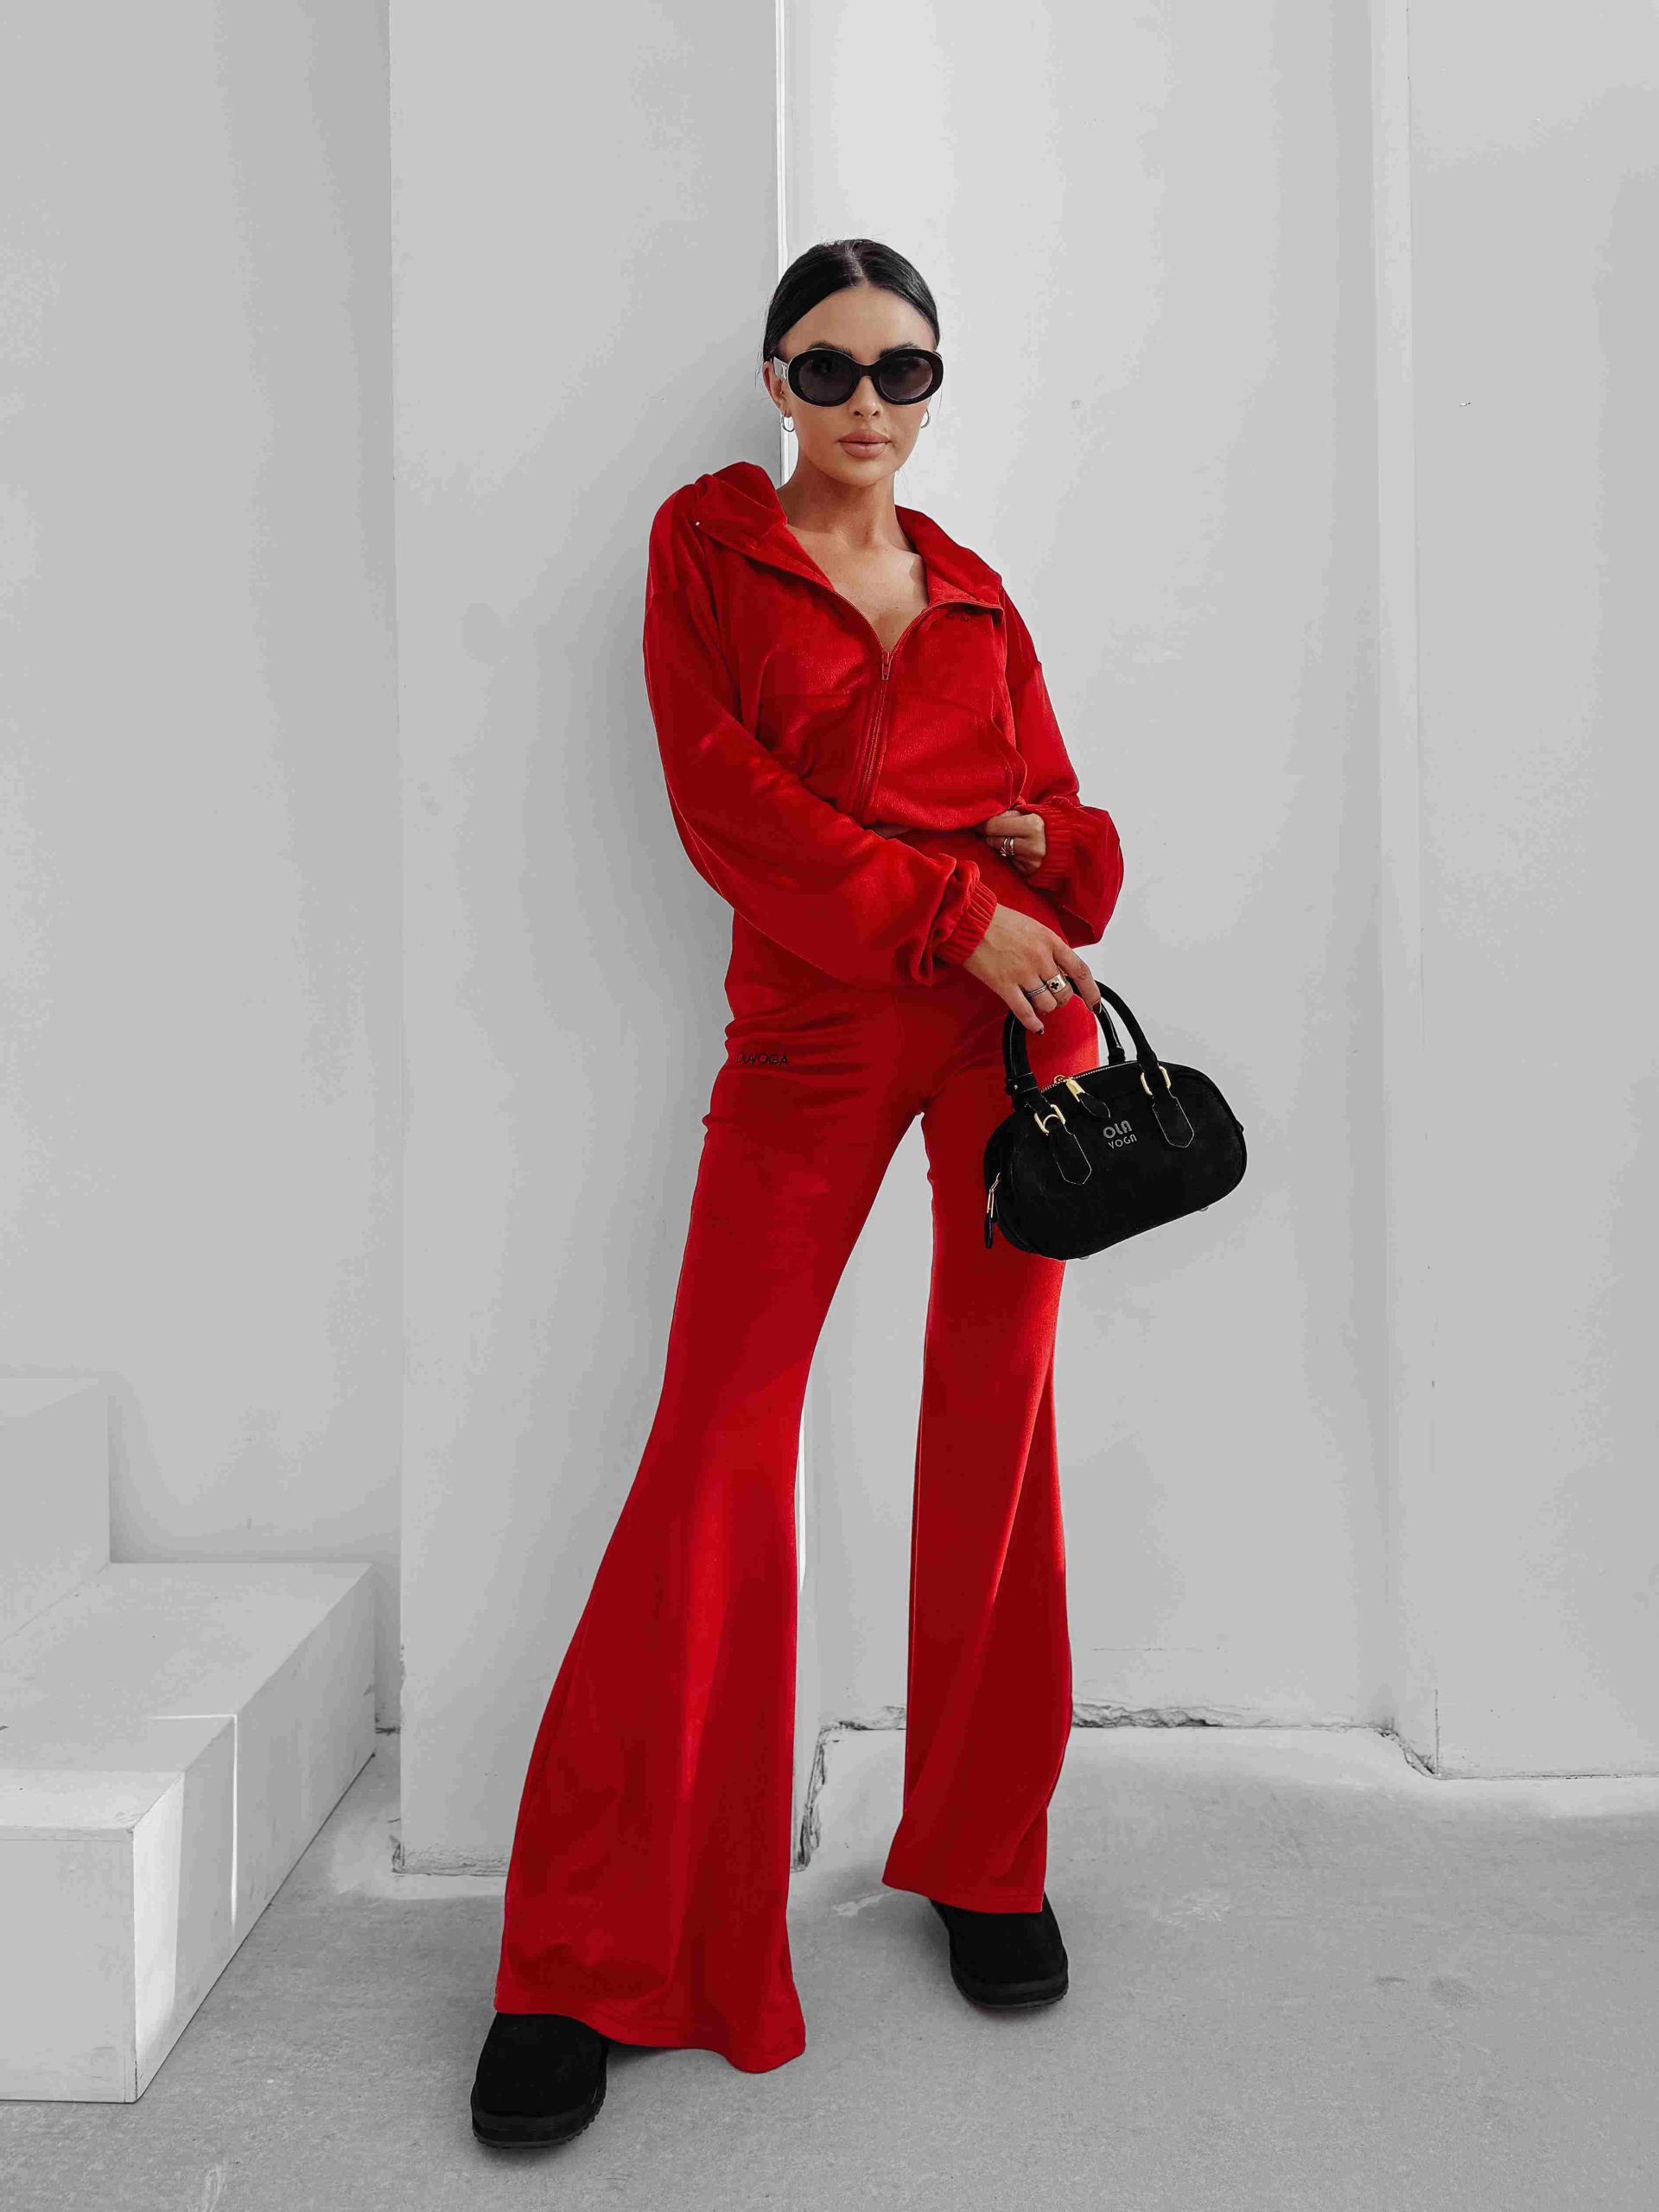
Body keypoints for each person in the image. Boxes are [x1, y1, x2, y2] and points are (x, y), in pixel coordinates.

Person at [470, 237, 1125, 2150]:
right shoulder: (710, 549)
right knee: (719, 1444)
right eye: (827, 366)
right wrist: (946, 903)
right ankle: (587, 1951)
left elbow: (1080, 838)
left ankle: (987, 1855)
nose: (865, 402)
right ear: (775, 378)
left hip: (1014, 1036)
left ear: (936, 387)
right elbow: (727, 800)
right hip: (818, 1032)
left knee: (997, 1427)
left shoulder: (976, 590)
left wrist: (1049, 853)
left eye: (902, 370)